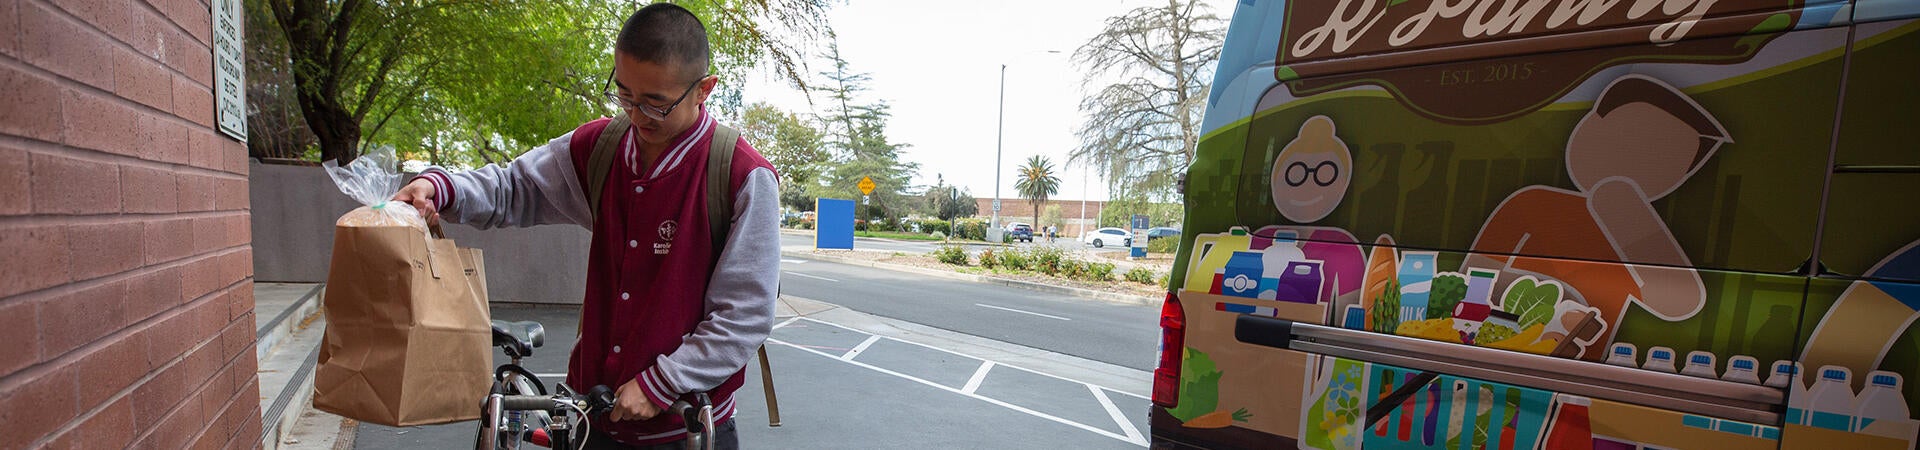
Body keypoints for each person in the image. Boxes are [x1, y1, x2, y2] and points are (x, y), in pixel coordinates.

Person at [392, 4, 778, 449]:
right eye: (625, 94)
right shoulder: (600, 148)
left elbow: (744, 315)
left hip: (684, 427)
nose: (636, 115)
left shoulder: (741, 176)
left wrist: (662, 382)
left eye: (656, 102)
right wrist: (439, 188)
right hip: (593, 417)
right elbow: (514, 186)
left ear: (704, 89)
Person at [1465, 74, 1722, 360]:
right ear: (1589, 129)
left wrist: (1627, 213)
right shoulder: (1534, 202)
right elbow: (1475, 276)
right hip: (1504, 353)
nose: (1631, 160)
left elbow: (1679, 304)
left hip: (1585, 368)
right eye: (1623, 138)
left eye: (1666, 158)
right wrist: (1558, 298)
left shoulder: (1637, 231)